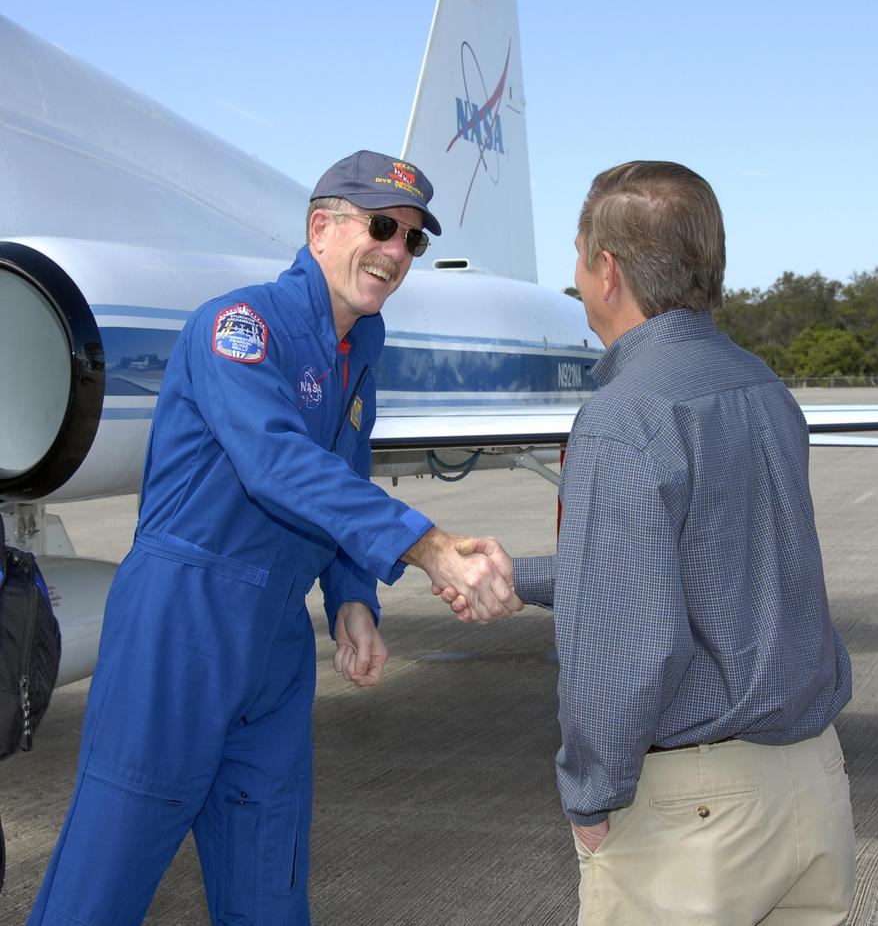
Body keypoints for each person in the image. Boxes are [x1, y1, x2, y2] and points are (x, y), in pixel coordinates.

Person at [27, 150, 521, 926]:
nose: (395, 252)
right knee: (105, 879)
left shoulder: (361, 344)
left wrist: (353, 595)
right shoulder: (241, 327)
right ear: (321, 228)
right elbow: (275, 462)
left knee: (270, 880)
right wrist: (426, 544)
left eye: (412, 241)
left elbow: (347, 470)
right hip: (181, 624)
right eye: (382, 227)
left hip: (276, 641)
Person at [447, 161, 856, 924]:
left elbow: (632, 642)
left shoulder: (623, 416)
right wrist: (523, 575)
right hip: (813, 784)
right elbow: (695, 567)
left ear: (609, 271)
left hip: (700, 824)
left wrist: (592, 791)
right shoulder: (761, 387)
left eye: (577, 256)